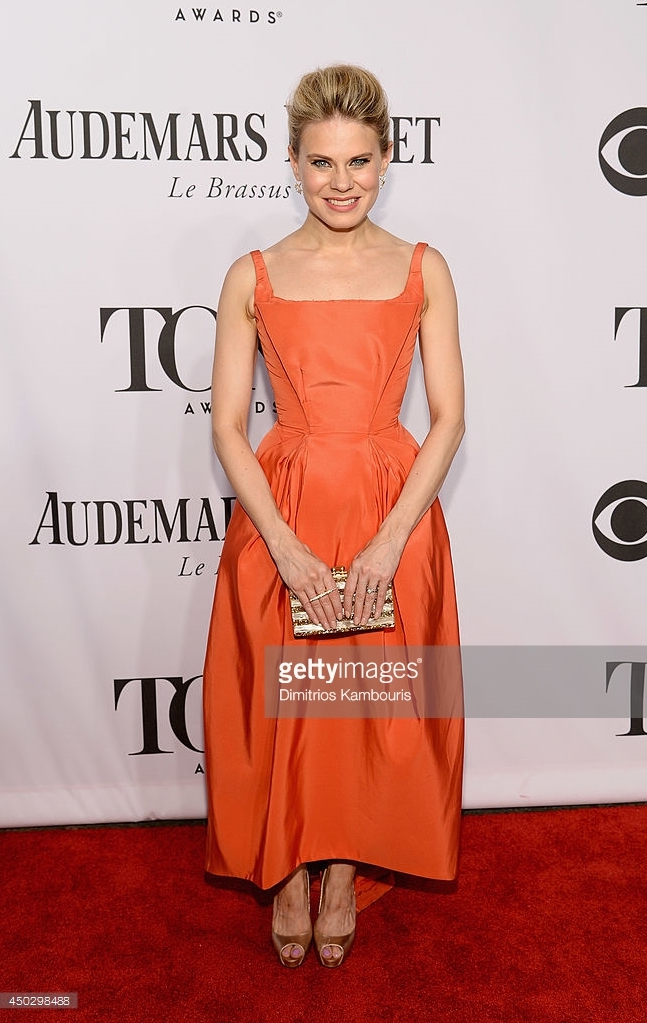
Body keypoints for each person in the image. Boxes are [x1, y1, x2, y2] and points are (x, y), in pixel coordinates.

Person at [203, 64, 465, 968]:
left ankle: (344, 872)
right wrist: (283, 546)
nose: (341, 181)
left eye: (358, 161)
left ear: (386, 160)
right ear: (293, 163)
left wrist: (392, 542)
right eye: (321, 162)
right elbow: (228, 426)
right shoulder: (254, 276)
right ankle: (286, 869)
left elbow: (449, 418)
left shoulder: (424, 268)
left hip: (392, 506)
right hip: (285, 506)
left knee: (362, 703)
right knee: (288, 701)